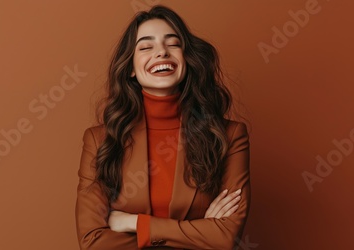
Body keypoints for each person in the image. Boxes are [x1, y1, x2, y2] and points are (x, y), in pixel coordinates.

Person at [75, 5, 250, 249]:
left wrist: (135, 223)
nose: (162, 53)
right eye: (146, 47)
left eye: (173, 44)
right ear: (131, 69)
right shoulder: (100, 140)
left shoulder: (229, 135)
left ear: (187, 58)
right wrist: (199, 232)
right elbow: (93, 241)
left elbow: (225, 237)